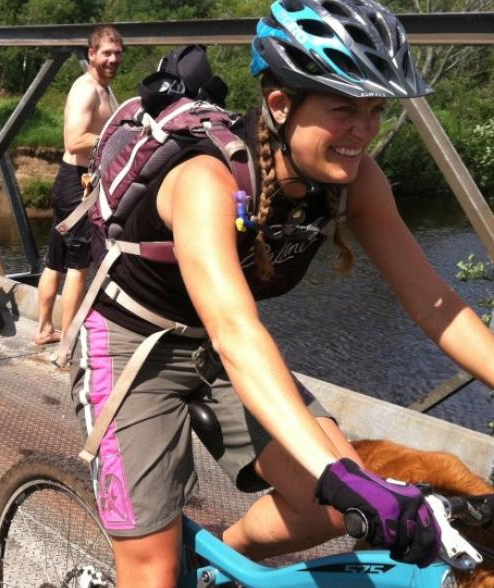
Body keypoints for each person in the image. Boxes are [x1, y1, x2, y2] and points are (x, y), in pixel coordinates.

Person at [70, 0, 494, 585]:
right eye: (344, 108)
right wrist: (336, 469)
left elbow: (437, 304)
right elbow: (238, 332)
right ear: (279, 104)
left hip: (219, 344)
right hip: (131, 341)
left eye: (375, 110)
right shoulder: (206, 177)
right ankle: (173, 566)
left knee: (330, 508)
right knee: (152, 568)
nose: (364, 132)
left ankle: (215, 562)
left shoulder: (356, 180)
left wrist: (339, 483)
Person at [34, 25, 123, 345]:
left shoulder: (102, 89)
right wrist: (118, 139)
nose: (113, 59)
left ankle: (45, 328)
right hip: (78, 185)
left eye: (117, 52)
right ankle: (70, 336)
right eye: (106, 53)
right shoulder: (87, 89)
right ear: (91, 54)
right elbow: (73, 141)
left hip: (73, 183)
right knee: (78, 265)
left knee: (55, 260)